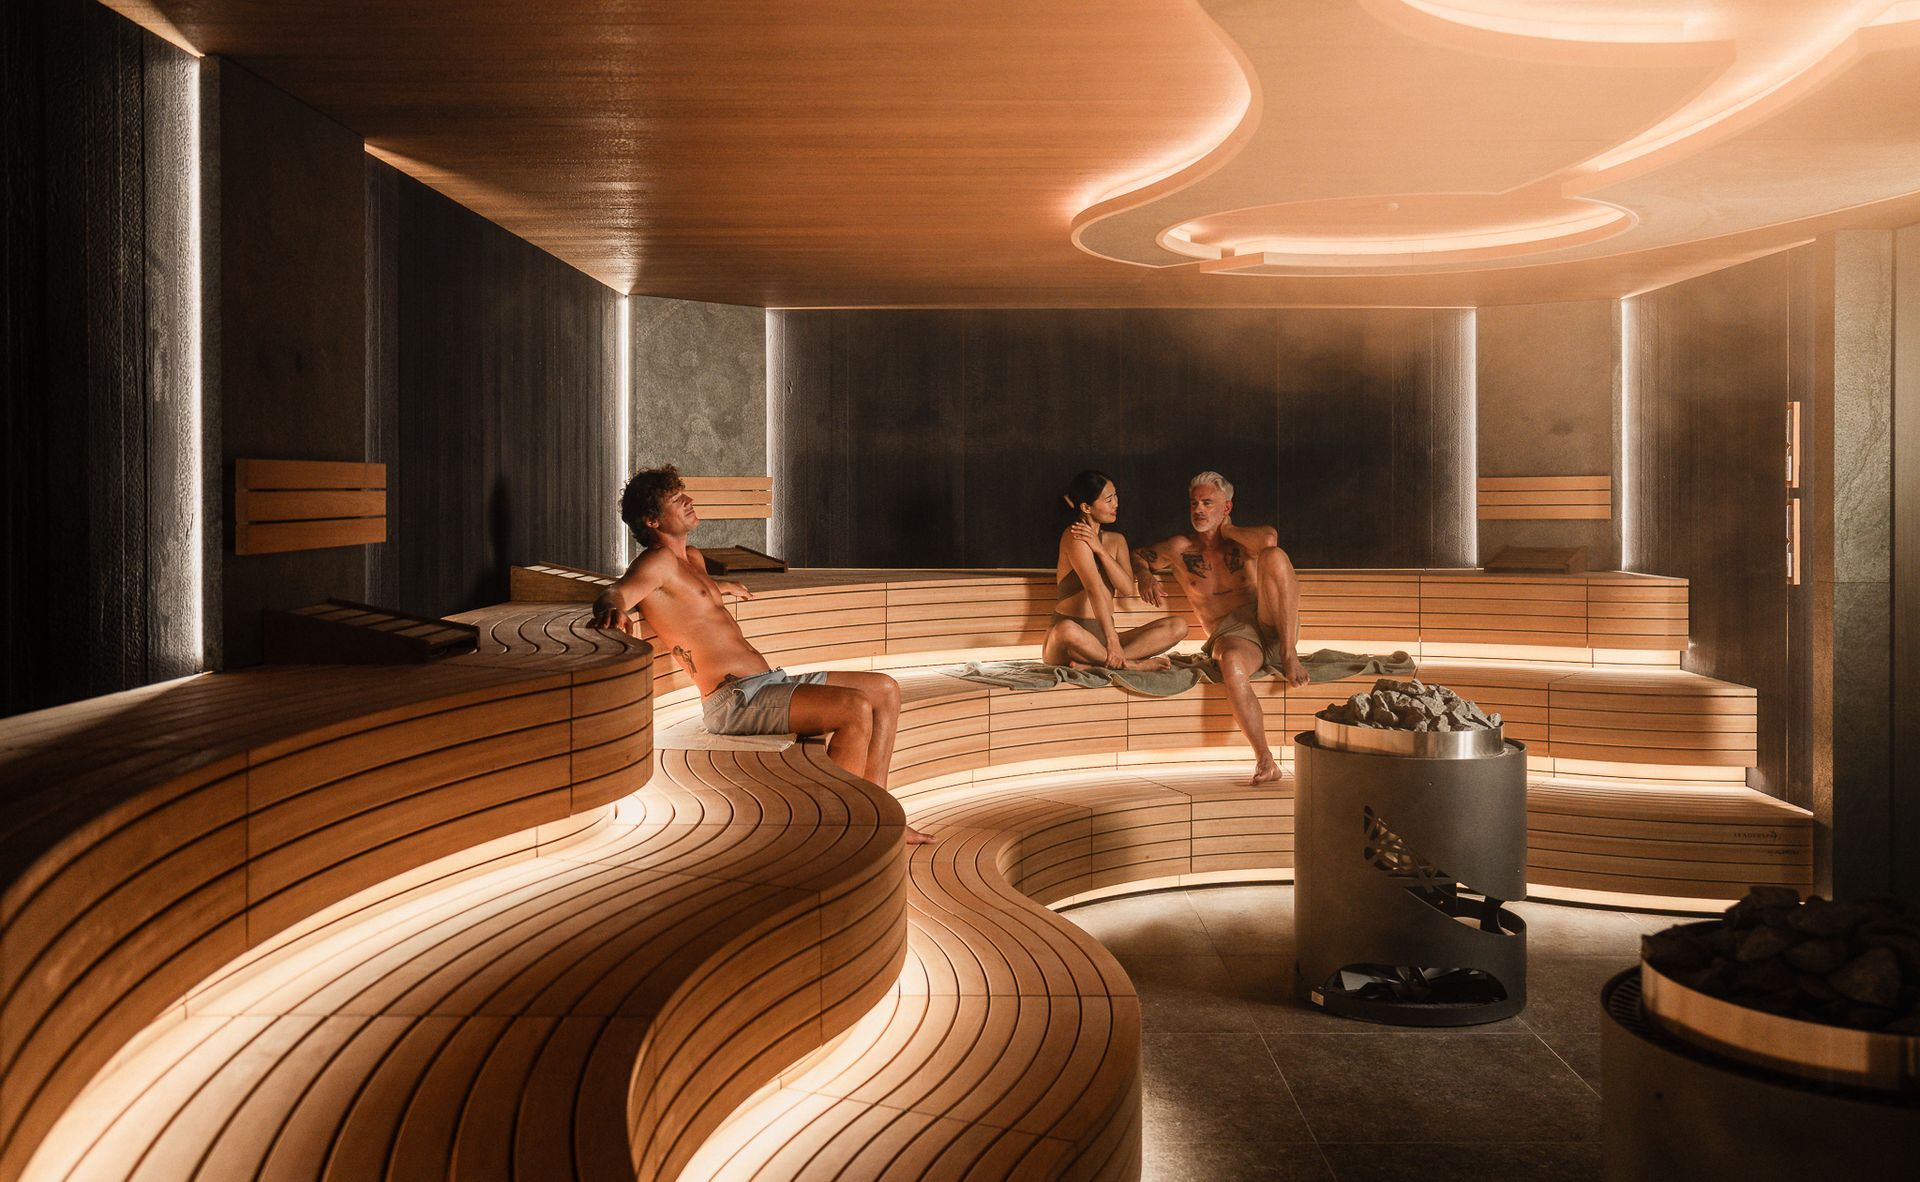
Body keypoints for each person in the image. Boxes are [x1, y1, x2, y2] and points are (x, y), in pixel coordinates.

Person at [591, 465, 931, 842]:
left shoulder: (692, 558)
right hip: (734, 700)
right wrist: (611, 607)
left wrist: (720, 586)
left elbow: (692, 595)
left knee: (885, 689)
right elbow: (619, 591)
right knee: (853, 708)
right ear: (653, 520)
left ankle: (881, 815)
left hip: (767, 684)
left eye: (683, 493)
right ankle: (839, 830)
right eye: (676, 499)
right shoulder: (656, 563)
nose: (688, 500)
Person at [1130, 471, 1307, 786]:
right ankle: (1266, 761)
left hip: (1269, 620)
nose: (1199, 509)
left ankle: (1289, 654)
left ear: (1226, 507)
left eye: (1208, 503)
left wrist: (1228, 529)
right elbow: (1138, 556)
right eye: (1194, 503)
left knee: (1276, 557)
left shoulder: (1242, 542)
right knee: (1232, 663)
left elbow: (1269, 540)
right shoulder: (1180, 549)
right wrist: (1145, 575)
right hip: (1233, 636)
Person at [1043, 470, 1189, 670]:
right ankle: (1129, 665)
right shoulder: (1075, 536)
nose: (1116, 504)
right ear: (1086, 507)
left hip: (1102, 640)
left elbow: (1127, 588)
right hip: (1069, 642)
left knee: (1178, 626)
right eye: (1109, 499)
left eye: (1115, 496)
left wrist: (1101, 550)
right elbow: (1094, 589)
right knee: (1065, 630)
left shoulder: (1117, 541)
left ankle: (1103, 662)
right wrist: (1113, 643)